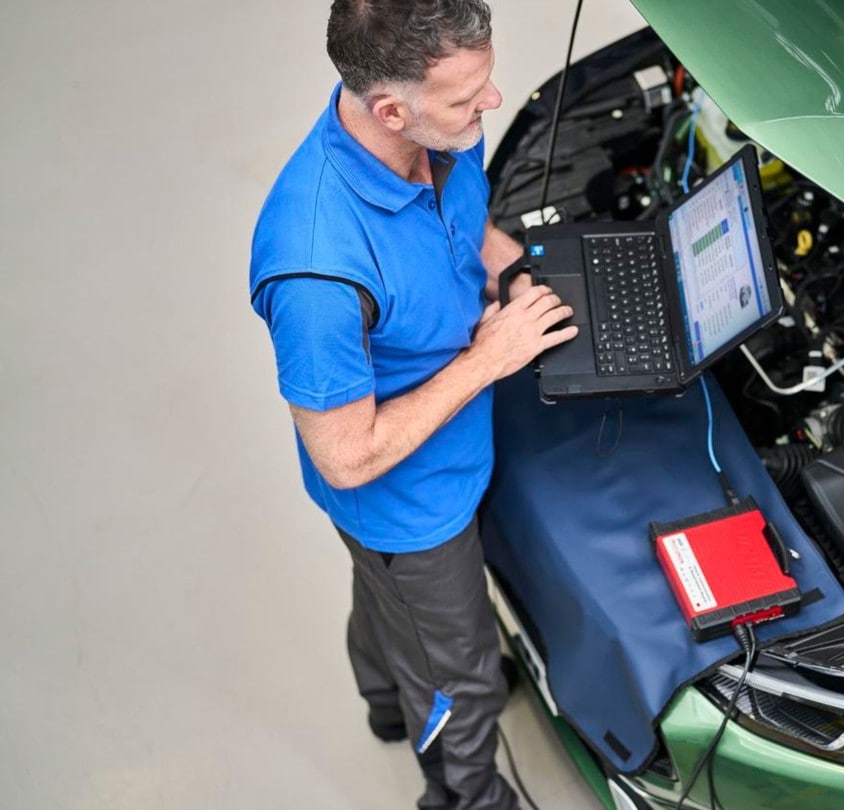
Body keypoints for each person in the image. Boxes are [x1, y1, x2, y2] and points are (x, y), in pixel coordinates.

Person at [248, 2, 576, 808]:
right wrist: (489, 359)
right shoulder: (317, 268)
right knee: (461, 682)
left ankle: (388, 701)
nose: (491, 105)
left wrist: (516, 276)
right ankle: (465, 795)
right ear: (389, 109)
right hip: (408, 506)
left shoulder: (440, 139)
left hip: (450, 465)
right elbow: (345, 455)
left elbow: (468, 231)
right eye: (468, 99)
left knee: (389, 607)